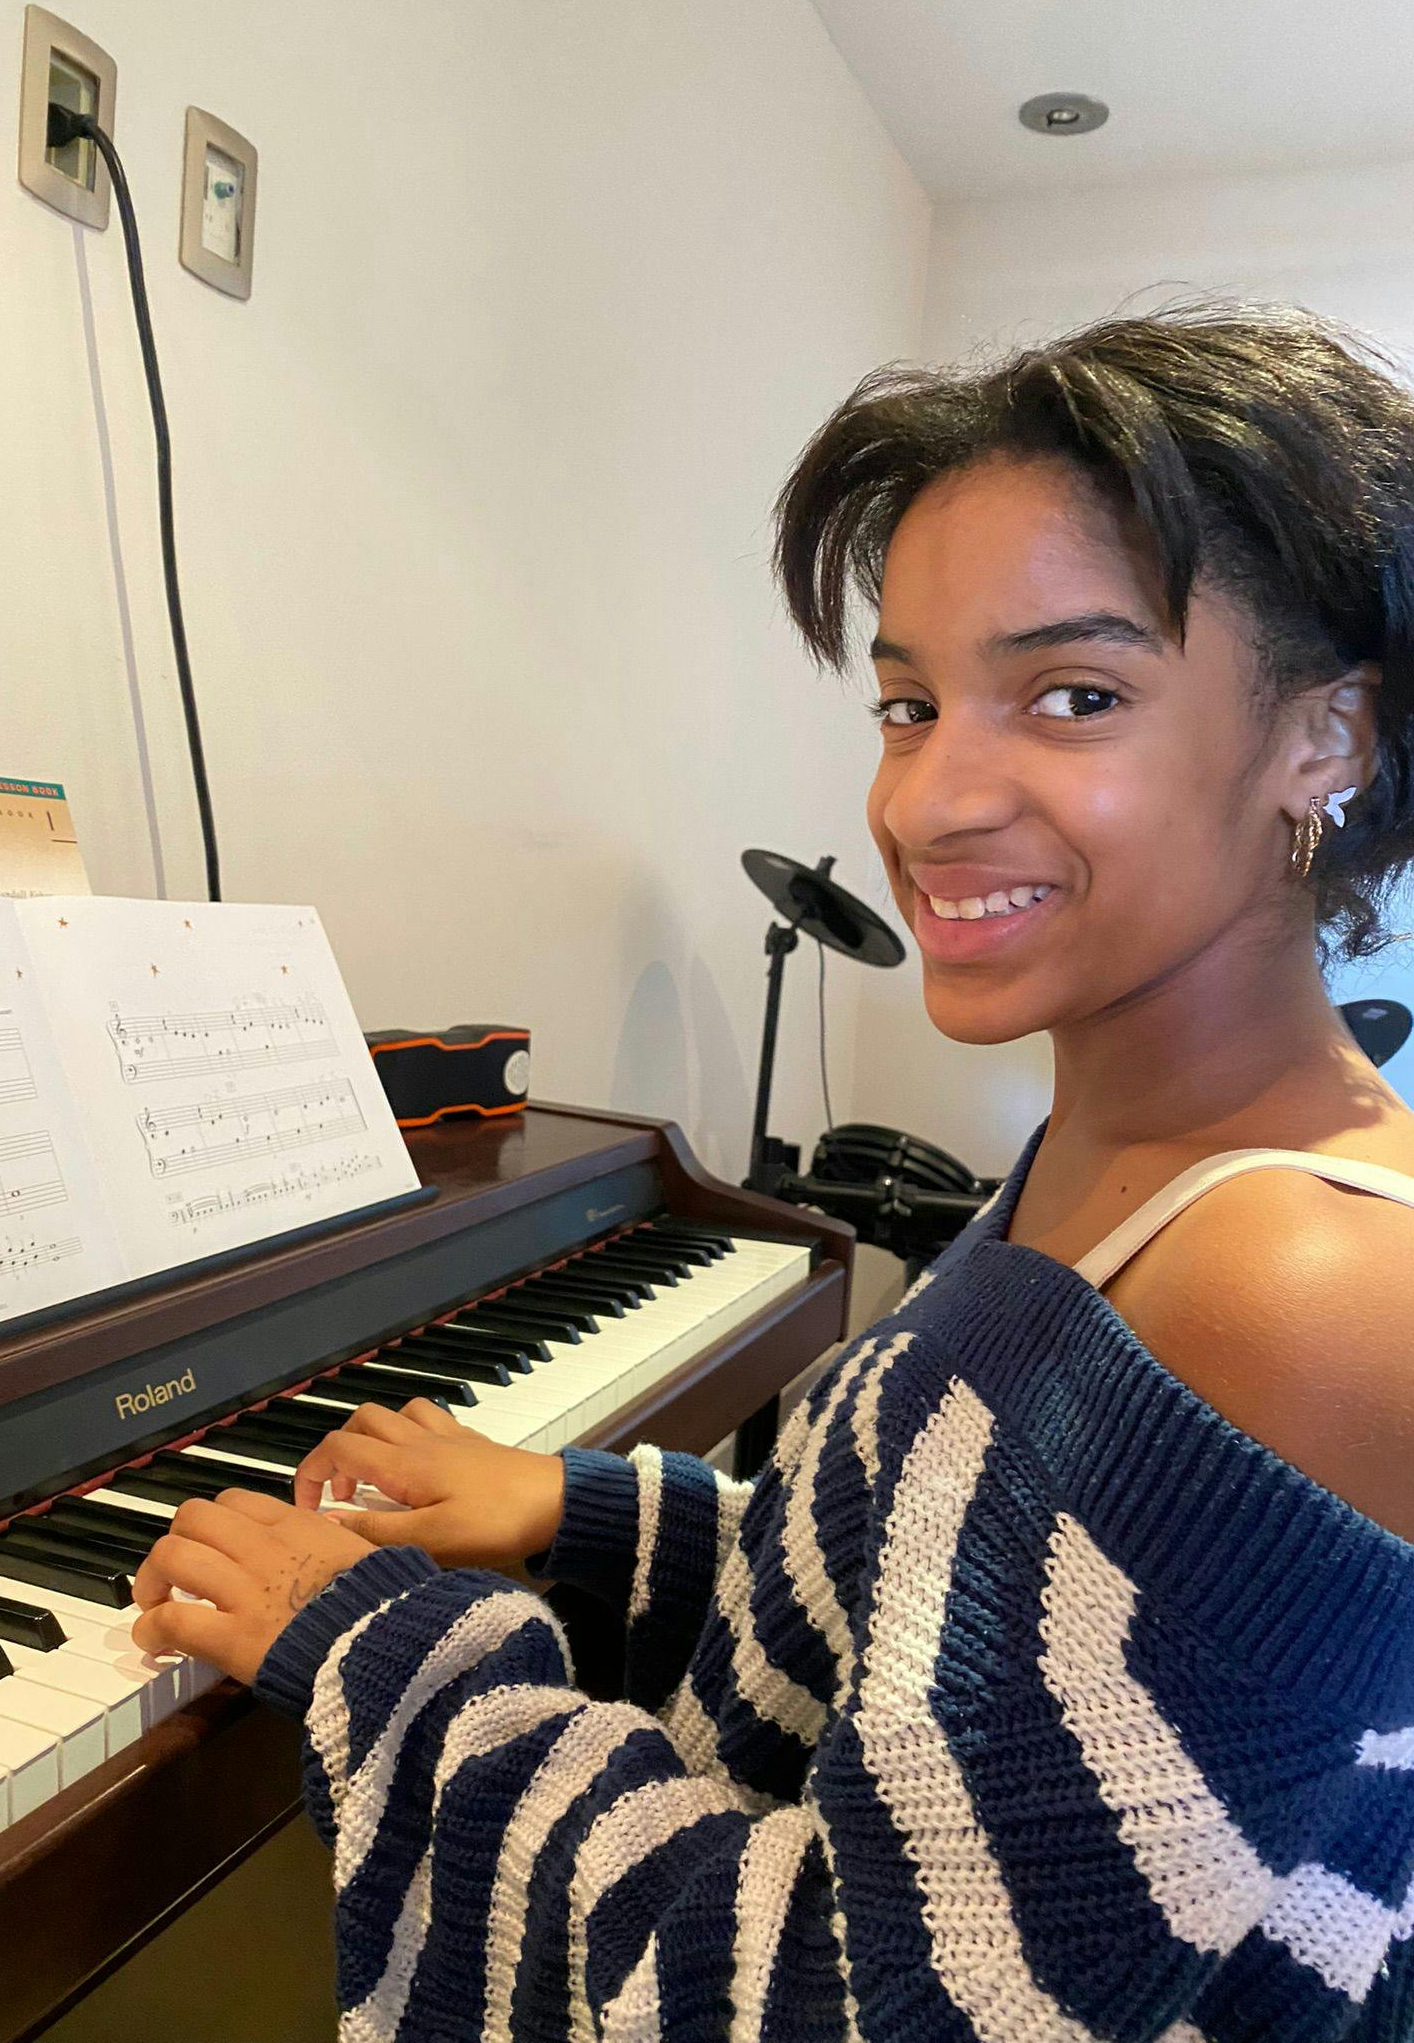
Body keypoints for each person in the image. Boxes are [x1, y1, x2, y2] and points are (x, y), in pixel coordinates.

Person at [131, 307, 1414, 2041]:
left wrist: (392, 1649)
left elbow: (866, 2001)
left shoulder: (1296, 1285)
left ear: (1326, 736)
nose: (931, 801)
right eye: (909, 702)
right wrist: (587, 1511)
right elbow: (967, 1598)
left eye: (1076, 694)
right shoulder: (1125, 1140)